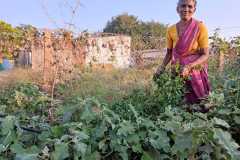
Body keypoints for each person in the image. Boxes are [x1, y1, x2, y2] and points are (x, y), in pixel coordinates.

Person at [155, 0, 210, 105]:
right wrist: (161, 67)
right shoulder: (170, 30)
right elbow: (169, 53)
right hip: (177, 69)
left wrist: (189, 66)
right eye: (183, 6)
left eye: (190, 6)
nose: (186, 9)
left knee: (200, 103)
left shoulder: (200, 27)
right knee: (179, 100)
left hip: (195, 70)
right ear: (177, 9)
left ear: (194, 9)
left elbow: (205, 54)